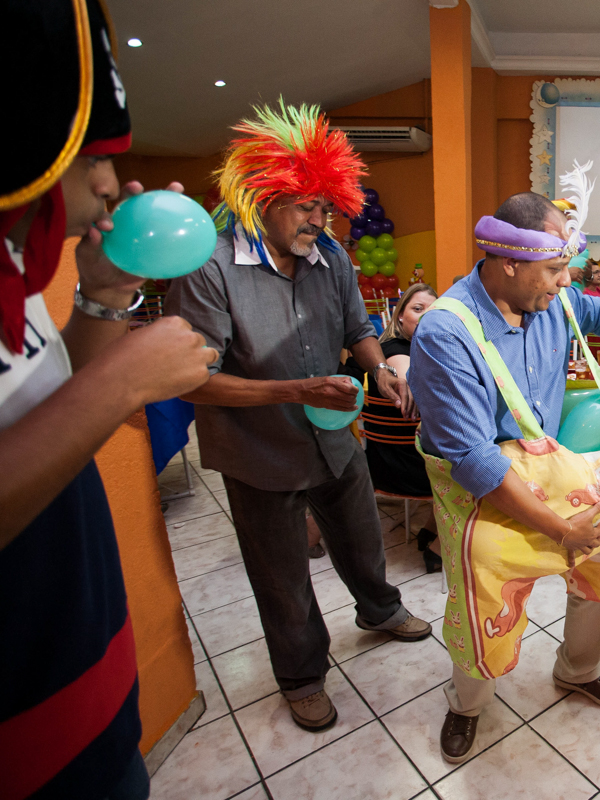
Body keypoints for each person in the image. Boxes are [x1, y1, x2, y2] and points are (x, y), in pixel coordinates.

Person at [1, 3, 216, 798]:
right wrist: (124, 380)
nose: (107, 182)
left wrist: (102, 296)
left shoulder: (15, 277)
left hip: (83, 675)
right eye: (88, 155)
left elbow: (49, 417)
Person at [166, 100, 432, 734]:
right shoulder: (208, 268)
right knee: (282, 574)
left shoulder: (331, 258)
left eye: (326, 207)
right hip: (257, 452)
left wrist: (383, 371)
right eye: (305, 206)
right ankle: (301, 675)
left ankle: (379, 610)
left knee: (362, 537)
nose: (320, 220)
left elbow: (358, 329)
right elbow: (193, 380)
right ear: (261, 197)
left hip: (336, 439)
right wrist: (297, 390)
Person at [409, 191, 600, 763]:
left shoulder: (555, 299)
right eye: (556, 268)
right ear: (510, 262)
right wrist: (561, 531)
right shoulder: (446, 332)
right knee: (482, 582)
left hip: (551, 468)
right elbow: (475, 460)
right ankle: (469, 703)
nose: (567, 281)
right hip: (484, 493)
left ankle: (579, 670)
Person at [363, 282, 441, 573]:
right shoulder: (395, 351)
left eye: (433, 311)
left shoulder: (420, 350)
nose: (425, 316)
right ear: (399, 316)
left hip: (384, 459)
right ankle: (437, 547)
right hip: (403, 465)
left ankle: (430, 531)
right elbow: (409, 382)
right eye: (418, 309)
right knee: (476, 469)